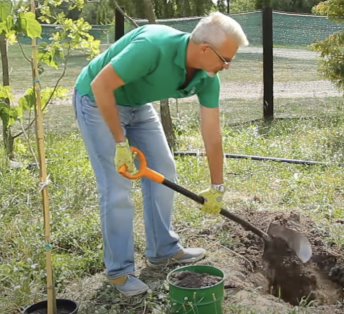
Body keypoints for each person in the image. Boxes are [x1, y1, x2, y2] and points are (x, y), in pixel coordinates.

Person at [72, 11, 249, 297]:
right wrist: (120, 144)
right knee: (117, 188)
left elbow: (212, 135)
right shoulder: (153, 46)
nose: (227, 66)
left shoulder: (207, 77)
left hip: (137, 104)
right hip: (97, 100)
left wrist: (217, 186)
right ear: (205, 49)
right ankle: (119, 272)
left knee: (164, 170)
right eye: (225, 59)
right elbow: (100, 85)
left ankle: (163, 250)